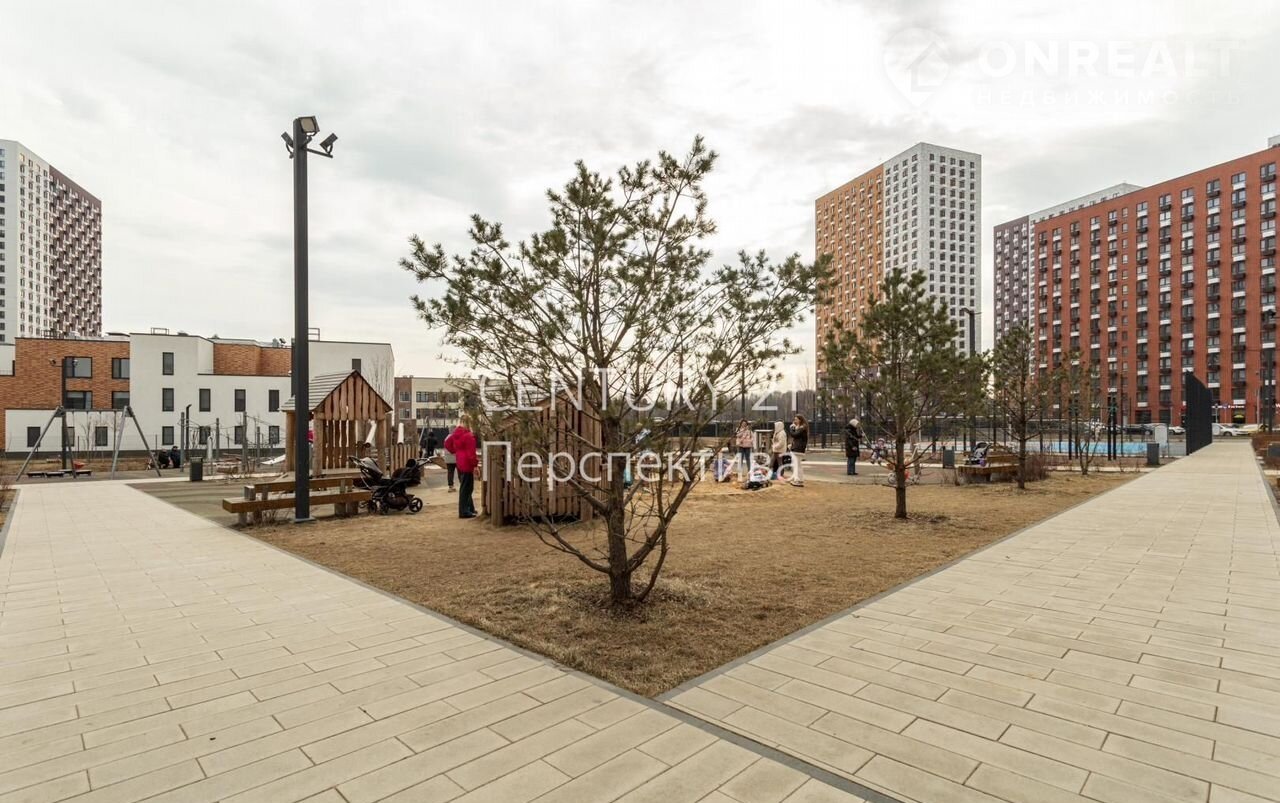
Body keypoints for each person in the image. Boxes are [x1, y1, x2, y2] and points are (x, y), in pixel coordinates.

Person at [444, 415, 478, 518]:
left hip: (460, 461)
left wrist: (455, 451)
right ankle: (464, 511)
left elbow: (447, 443)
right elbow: (471, 454)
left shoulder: (455, 434)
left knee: (465, 486)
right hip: (467, 463)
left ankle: (469, 508)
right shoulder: (469, 436)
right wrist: (475, 465)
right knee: (467, 488)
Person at [787, 414, 808, 487]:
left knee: (796, 465)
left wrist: (791, 428)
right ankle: (800, 479)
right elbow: (796, 437)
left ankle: (798, 480)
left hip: (798, 449)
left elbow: (794, 434)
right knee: (798, 465)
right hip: (798, 448)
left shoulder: (802, 428)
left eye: (796, 419)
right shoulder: (801, 427)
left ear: (800, 420)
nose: (795, 421)